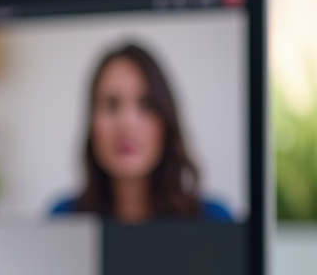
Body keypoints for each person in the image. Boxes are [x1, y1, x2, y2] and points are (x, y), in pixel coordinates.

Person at [51, 43, 232, 222]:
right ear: (91, 122)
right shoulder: (63, 220)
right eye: (111, 105)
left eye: (146, 105)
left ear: (166, 121)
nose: (127, 122)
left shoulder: (214, 220)